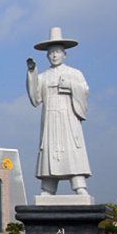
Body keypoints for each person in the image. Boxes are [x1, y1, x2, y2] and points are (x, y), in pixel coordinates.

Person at [26, 27, 91, 196]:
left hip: (68, 118)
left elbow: (84, 91)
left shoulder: (74, 73)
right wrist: (32, 73)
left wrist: (70, 86)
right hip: (50, 119)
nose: (54, 55)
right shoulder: (44, 76)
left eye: (57, 52)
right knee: (49, 150)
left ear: (64, 54)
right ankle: (48, 188)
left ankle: (79, 186)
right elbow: (35, 98)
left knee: (72, 150)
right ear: (47, 55)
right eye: (51, 53)